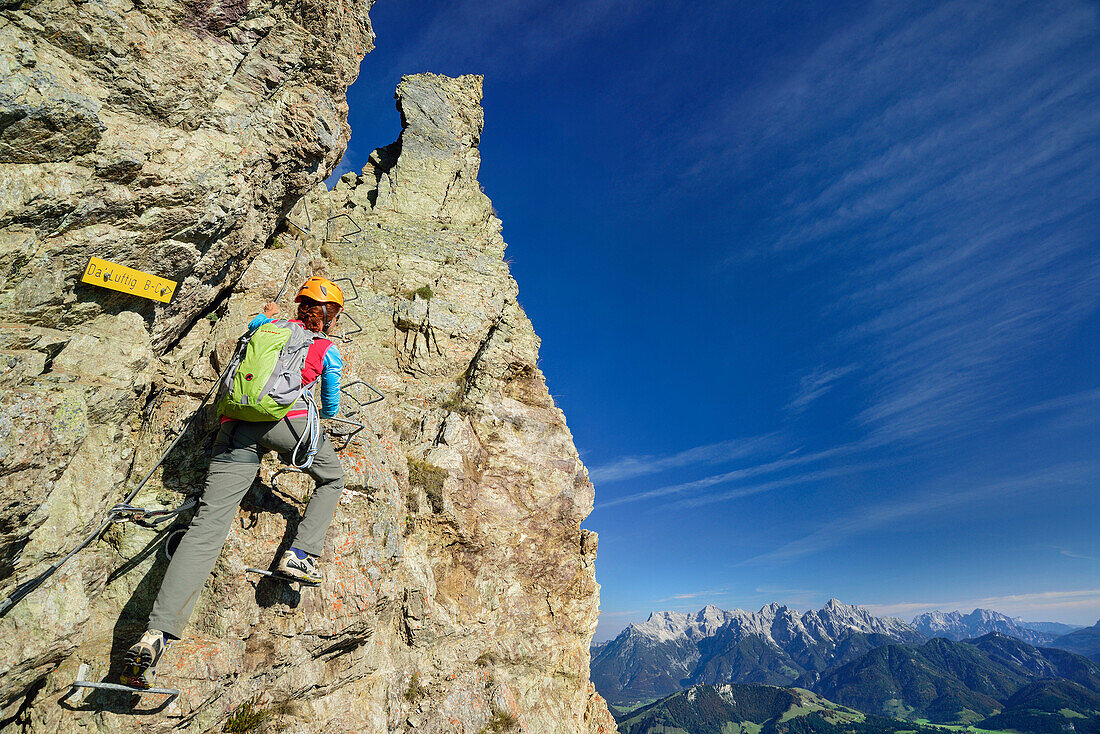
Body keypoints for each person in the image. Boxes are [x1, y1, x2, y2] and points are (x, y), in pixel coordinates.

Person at [122, 277, 347, 688]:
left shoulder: (266, 325)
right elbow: (330, 407)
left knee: (208, 526)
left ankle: (154, 634)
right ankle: (300, 555)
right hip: (285, 421)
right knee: (332, 478)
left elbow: (248, 341)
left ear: (300, 304)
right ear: (331, 316)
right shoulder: (326, 348)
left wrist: (267, 320)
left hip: (234, 425)